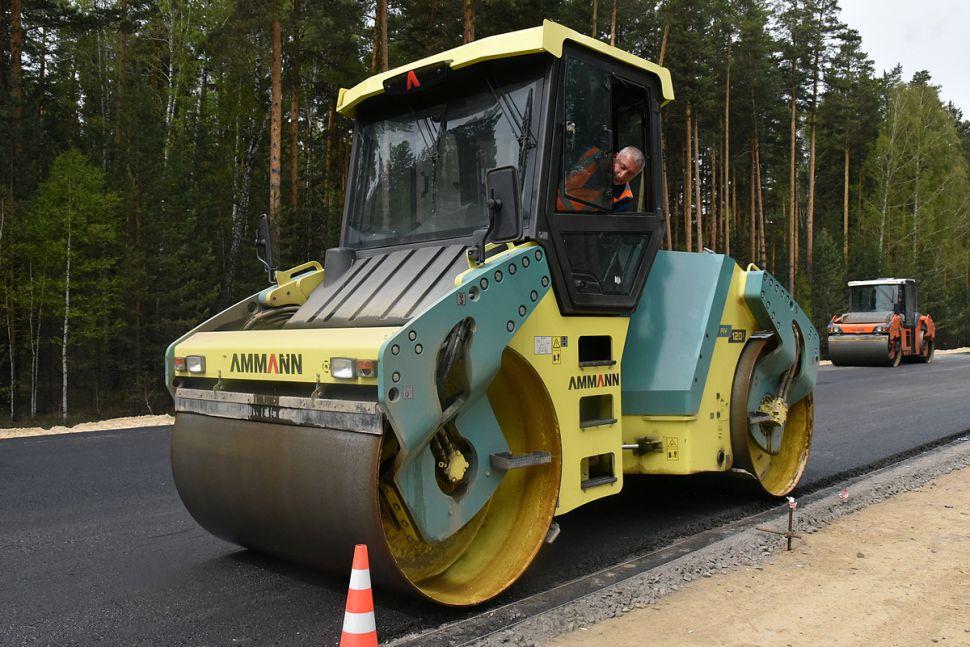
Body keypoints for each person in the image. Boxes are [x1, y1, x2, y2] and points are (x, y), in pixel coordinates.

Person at [557, 145, 645, 213]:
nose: (622, 175)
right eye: (622, 167)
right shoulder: (588, 155)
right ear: (615, 156)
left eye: (630, 174)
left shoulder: (623, 200)